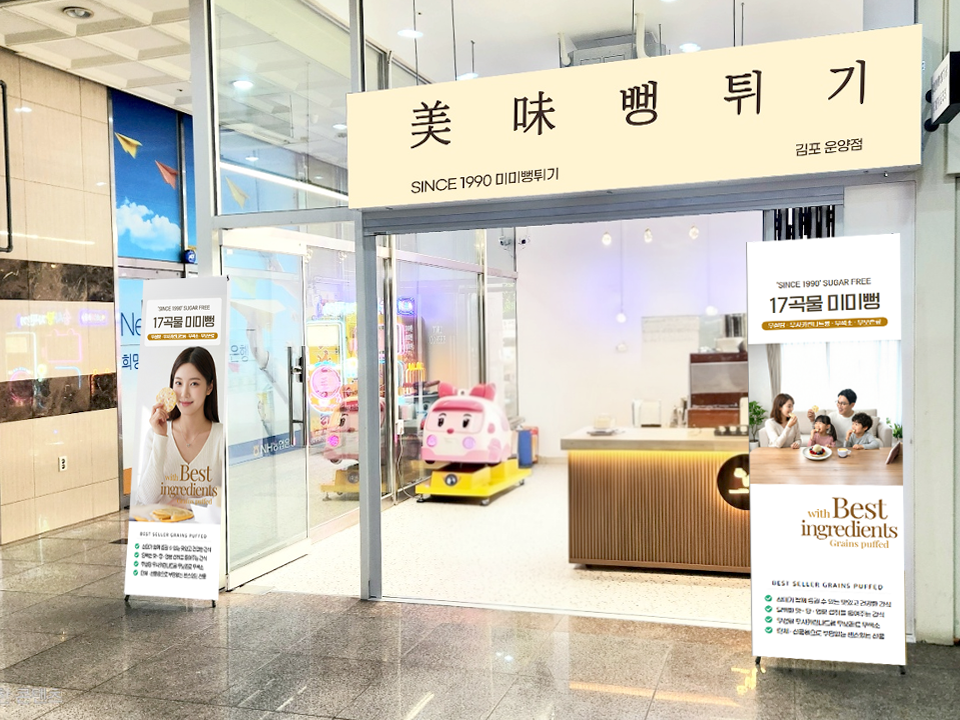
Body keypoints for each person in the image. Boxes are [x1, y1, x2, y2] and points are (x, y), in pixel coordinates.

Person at [135, 346, 224, 508]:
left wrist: (185, 504)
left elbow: (228, 499)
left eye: (194, 384)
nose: (184, 393)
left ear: (209, 387)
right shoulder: (154, 435)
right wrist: (160, 438)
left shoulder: (222, 437)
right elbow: (146, 499)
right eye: (178, 383)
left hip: (204, 526)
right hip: (161, 525)